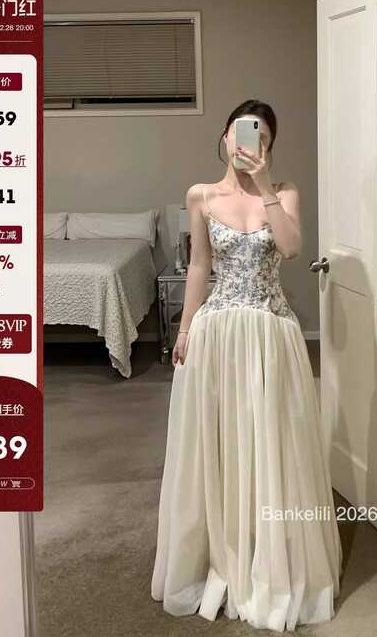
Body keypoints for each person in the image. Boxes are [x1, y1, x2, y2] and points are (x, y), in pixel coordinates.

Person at [151, 100, 342, 632]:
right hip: (217, 334)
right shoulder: (201, 196)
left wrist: (264, 185)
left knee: (271, 440)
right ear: (224, 136)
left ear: (269, 145)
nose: (247, 144)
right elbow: (199, 266)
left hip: (269, 333)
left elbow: (292, 247)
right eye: (239, 133)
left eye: (260, 137)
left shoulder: (283, 193)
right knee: (222, 441)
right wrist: (185, 329)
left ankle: (271, 552)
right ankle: (227, 547)